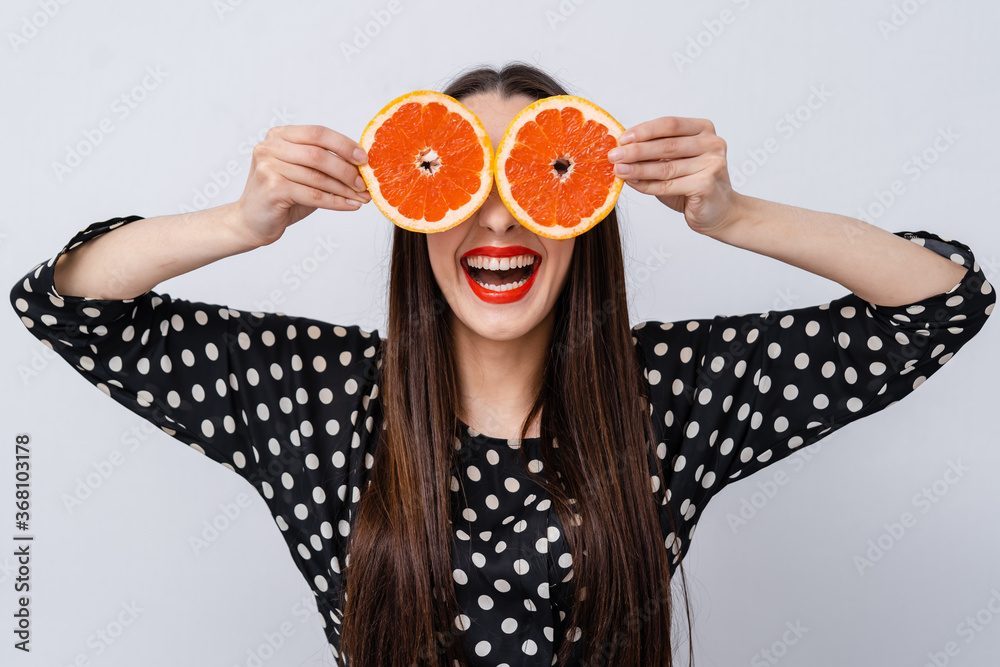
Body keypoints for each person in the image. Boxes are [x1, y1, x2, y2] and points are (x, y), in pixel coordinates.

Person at [8, 62, 996, 667]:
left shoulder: (663, 398)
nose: (495, 216)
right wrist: (239, 221)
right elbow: (70, 306)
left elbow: (940, 302)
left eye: (535, 172)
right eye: (459, 173)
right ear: (413, 205)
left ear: (583, 211)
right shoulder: (317, 397)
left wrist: (733, 215)